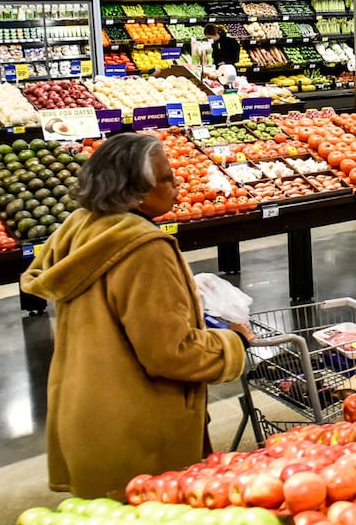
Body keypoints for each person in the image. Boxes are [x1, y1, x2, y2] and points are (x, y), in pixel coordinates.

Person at [21, 132, 251, 498]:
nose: (177, 183)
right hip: (138, 426)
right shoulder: (144, 250)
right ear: (136, 189)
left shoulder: (83, 229)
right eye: (165, 177)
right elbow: (170, 353)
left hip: (89, 414)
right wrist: (234, 343)